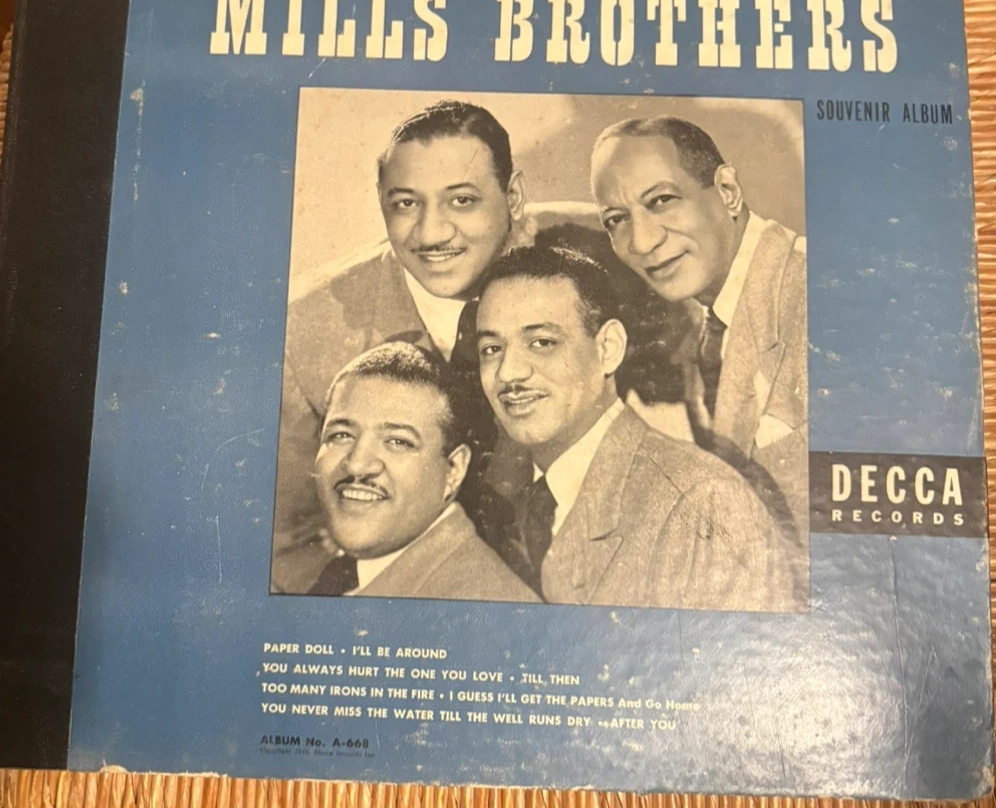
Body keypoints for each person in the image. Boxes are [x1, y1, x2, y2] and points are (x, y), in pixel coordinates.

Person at [271, 98, 671, 594]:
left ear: (513, 196)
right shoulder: (305, 330)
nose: (432, 233)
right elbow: (287, 544)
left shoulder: (614, 252)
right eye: (405, 204)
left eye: (462, 201)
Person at [475, 244, 795, 610]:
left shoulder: (702, 504)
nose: (508, 372)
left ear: (608, 348)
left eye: (542, 342)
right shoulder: (516, 505)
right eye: (491, 349)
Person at [590, 115, 808, 549]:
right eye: (616, 220)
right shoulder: (710, 322)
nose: (642, 242)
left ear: (727, 191)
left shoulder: (810, 297)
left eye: (662, 200)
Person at [308, 342, 538, 602]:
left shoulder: (483, 602)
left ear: (454, 470)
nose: (357, 464)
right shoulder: (345, 576)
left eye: (398, 441)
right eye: (341, 435)